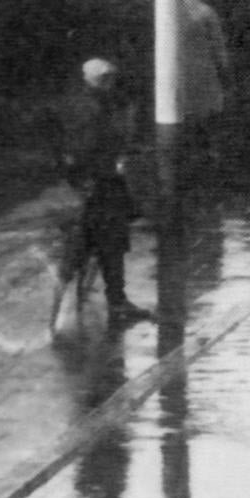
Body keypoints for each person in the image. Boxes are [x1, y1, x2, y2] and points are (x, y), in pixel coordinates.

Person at [53, 59, 152, 330]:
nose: (109, 82)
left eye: (110, 77)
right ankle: (114, 301)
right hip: (100, 183)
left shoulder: (89, 102)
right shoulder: (92, 107)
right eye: (105, 78)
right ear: (93, 80)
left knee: (96, 242)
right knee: (108, 242)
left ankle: (80, 299)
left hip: (93, 183)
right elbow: (88, 146)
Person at [181, 0, 231, 173]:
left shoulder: (168, 8)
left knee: (189, 114)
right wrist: (225, 70)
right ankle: (208, 160)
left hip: (182, 71)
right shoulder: (206, 12)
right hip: (202, 70)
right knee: (207, 115)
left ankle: (194, 159)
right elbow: (219, 47)